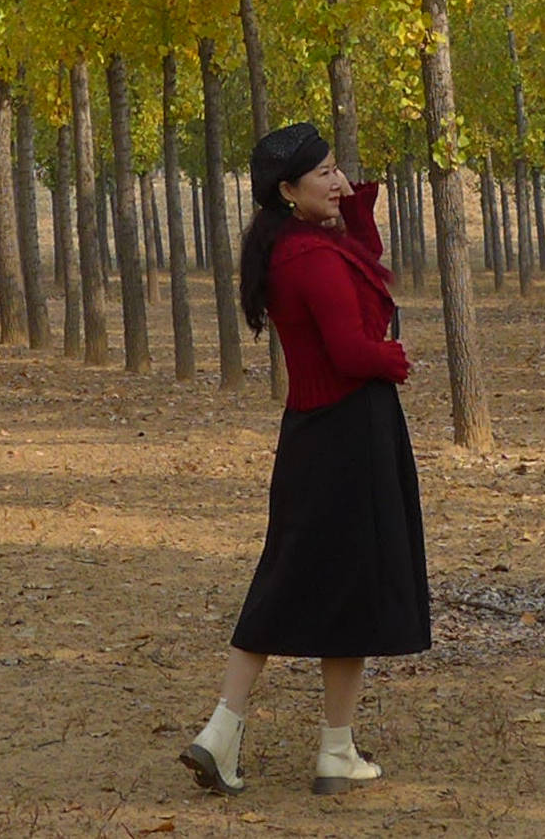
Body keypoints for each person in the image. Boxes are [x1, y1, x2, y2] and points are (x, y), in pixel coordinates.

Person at [183, 122, 430, 797]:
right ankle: (254, 736)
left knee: (305, 581)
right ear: (286, 191)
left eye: (334, 167)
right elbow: (355, 348)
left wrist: (350, 205)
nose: (337, 179)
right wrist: (395, 360)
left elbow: (368, 270)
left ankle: (304, 744)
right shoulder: (309, 258)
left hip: (318, 433)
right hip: (347, 432)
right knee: (325, 584)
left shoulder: (301, 246)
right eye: (321, 173)